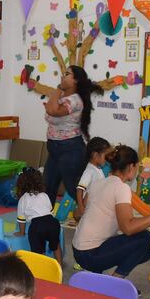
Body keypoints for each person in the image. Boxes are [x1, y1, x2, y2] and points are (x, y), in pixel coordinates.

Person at [73, 145, 150, 279]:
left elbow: (78, 214)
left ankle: (101, 278)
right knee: (145, 239)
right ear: (132, 167)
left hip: (78, 250)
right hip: (91, 255)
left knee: (135, 244)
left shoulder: (98, 183)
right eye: (137, 168)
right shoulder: (122, 188)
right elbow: (128, 228)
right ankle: (115, 282)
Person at [43, 65, 103, 205]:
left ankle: (91, 214)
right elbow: (52, 109)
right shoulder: (62, 97)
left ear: (75, 80)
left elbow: (52, 110)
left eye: (67, 74)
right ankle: (45, 219)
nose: (63, 76)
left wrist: (59, 87)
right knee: (48, 187)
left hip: (70, 149)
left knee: (73, 188)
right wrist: (60, 91)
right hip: (54, 149)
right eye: (63, 73)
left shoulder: (75, 100)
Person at [14, 168, 62, 264]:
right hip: (53, 223)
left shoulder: (23, 199)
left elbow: (21, 220)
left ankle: (42, 267)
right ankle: (59, 267)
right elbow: (51, 212)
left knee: (38, 251)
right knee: (56, 245)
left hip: (37, 226)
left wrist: (22, 232)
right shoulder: (44, 195)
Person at [75, 136, 111, 221]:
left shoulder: (98, 169)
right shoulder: (89, 171)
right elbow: (79, 189)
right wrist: (81, 207)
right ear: (95, 155)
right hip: (88, 205)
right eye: (105, 156)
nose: (106, 159)